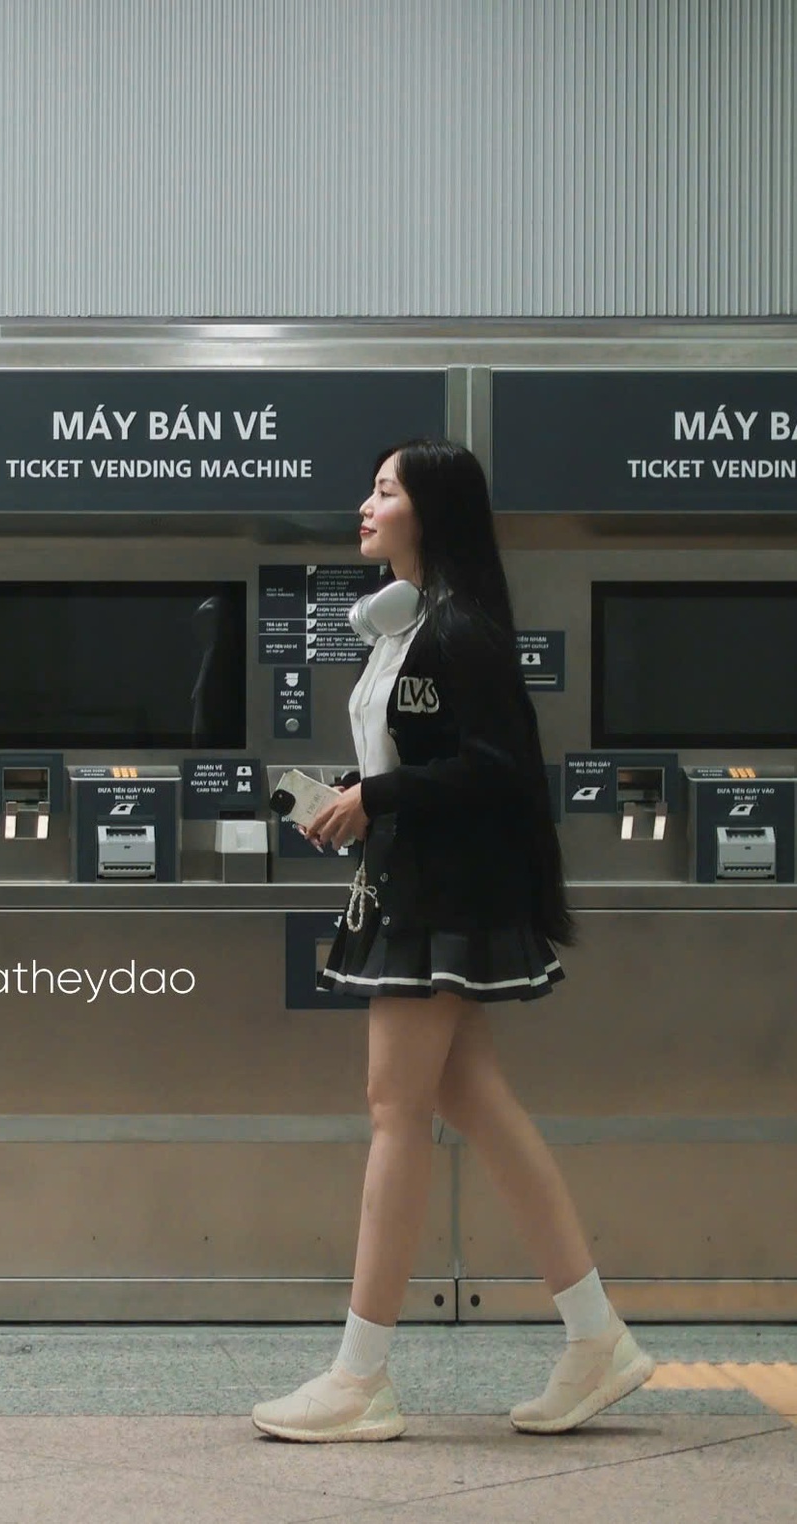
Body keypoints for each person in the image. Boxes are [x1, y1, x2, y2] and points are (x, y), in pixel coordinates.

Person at [250, 439, 653, 1443]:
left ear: (429, 511)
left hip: (440, 899)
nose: (364, 504)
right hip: (413, 884)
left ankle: (359, 1376)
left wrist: (372, 797)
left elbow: (500, 768)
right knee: (476, 1104)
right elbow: (422, 757)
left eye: (383, 491)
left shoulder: (457, 632)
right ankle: (595, 1335)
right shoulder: (403, 624)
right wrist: (353, 800)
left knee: (395, 1109)